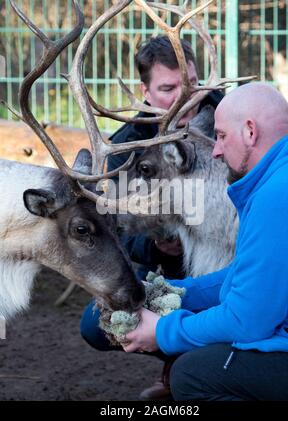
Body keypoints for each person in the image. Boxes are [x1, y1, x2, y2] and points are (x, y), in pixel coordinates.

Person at [121, 82, 288, 401]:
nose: (215, 151)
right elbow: (243, 279)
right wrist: (173, 294)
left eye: (220, 136)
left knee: (193, 374)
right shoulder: (282, 177)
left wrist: (161, 332)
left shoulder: (278, 197)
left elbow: (247, 320)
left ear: (249, 132)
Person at [81, 36, 223, 400]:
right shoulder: (126, 148)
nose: (185, 97)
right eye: (168, 88)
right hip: (170, 269)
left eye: (191, 84)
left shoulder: (227, 118)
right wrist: (155, 246)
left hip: (235, 258)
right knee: (95, 324)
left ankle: (205, 371)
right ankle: (180, 361)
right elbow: (113, 225)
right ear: (145, 92)